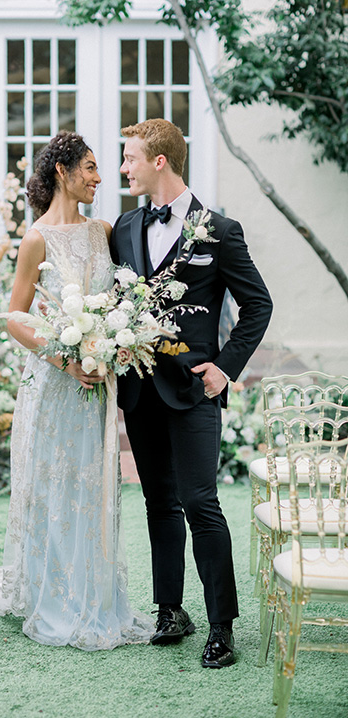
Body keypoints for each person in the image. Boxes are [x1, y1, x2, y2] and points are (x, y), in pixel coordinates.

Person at [0, 131, 154, 650]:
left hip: (99, 386)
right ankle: (51, 594)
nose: (101, 178)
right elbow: (16, 317)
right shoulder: (36, 240)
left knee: (91, 486)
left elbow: (123, 301)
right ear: (63, 171)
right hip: (55, 384)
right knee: (55, 486)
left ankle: (94, 596)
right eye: (92, 168)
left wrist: (115, 343)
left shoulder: (102, 231)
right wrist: (66, 359)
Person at [110, 119, 273, 667]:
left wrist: (225, 369)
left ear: (160, 161)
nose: (123, 167)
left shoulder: (219, 230)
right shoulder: (123, 228)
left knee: (201, 503)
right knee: (159, 503)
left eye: (129, 157)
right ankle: (170, 609)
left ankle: (221, 626)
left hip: (194, 391)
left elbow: (258, 306)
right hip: (140, 391)